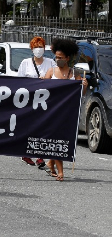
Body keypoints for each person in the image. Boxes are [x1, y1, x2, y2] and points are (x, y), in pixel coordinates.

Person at [42, 38, 87, 181]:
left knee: (61, 139)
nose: (58, 60)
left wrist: (84, 85)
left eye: (61, 58)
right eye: (56, 57)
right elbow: (41, 90)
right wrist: (41, 80)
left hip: (67, 113)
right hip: (52, 112)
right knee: (56, 139)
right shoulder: (51, 71)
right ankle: (60, 171)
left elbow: (81, 93)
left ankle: (51, 162)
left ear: (67, 58)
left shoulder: (75, 74)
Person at [17, 36, 55, 168]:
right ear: (31, 49)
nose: (38, 50)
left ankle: (39, 156)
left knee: (42, 127)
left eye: (41, 47)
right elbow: (19, 82)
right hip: (29, 100)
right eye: (36, 47)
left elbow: (57, 78)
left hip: (45, 101)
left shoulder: (50, 63)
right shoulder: (25, 63)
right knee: (29, 127)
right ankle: (25, 153)